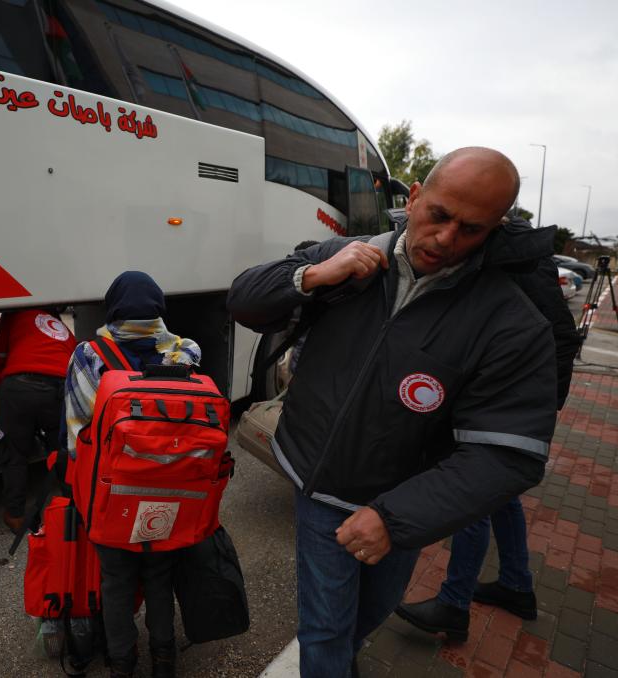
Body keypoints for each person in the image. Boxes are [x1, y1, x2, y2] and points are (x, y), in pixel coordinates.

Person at [226, 147, 559, 677]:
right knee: (326, 633)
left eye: (471, 229)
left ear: (497, 228)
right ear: (415, 198)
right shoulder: (347, 255)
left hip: (400, 502)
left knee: (367, 616)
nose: (447, 239)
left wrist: (395, 517)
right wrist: (313, 274)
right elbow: (243, 300)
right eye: (439, 216)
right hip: (319, 483)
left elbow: (508, 454)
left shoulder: (508, 321)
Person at [395, 214, 581, 639]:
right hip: (510, 400)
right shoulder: (514, 252)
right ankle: (516, 585)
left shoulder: (511, 260)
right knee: (502, 497)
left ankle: (453, 605)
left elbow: (558, 336)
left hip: (501, 404)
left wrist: (530, 411)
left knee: (468, 497)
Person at [62, 271, 200, 678]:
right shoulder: (184, 352)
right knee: (159, 574)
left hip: (111, 493)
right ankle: (163, 657)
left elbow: (76, 430)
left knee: (116, 578)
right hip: (169, 489)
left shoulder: (89, 356)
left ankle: (121, 661)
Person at [0, 308, 76, 534]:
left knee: (14, 451)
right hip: (60, 388)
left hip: (20, 386)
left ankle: (15, 515)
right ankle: (76, 509)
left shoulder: (14, 313)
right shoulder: (60, 325)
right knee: (63, 450)